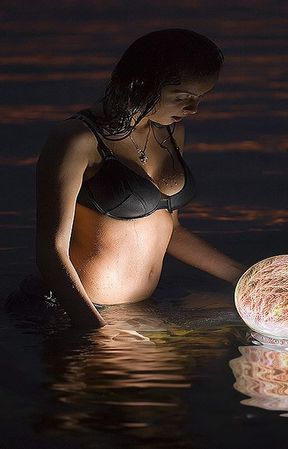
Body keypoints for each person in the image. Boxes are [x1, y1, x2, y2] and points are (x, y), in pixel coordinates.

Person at [33, 29, 247, 328]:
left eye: (200, 97)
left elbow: (171, 230)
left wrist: (247, 276)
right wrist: (94, 331)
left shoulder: (171, 133)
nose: (193, 109)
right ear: (141, 84)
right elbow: (50, 250)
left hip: (139, 311)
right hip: (80, 312)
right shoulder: (78, 140)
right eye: (182, 97)